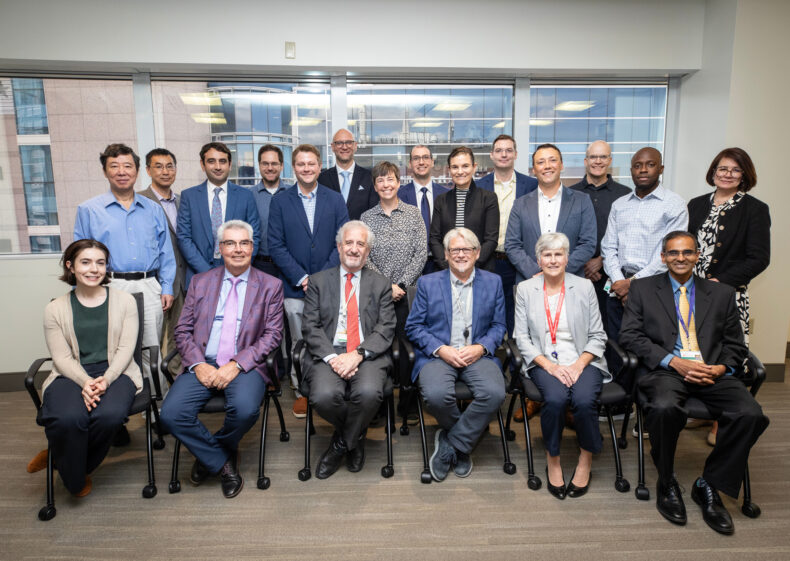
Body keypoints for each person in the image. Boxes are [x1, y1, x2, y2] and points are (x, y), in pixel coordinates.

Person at [619, 230, 769, 535]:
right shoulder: (643, 290)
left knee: (751, 414)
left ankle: (709, 485)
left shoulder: (722, 293)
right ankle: (666, 481)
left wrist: (719, 368)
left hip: (711, 372)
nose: (680, 258)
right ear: (663, 257)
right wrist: (673, 361)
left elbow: (736, 345)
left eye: (687, 252)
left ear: (697, 256)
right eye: (673, 253)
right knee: (662, 409)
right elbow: (630, 336)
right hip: (666, 370)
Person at [160, 220, 283, 499]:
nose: (237, 249)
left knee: (244, 410)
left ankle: (209, 454)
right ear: (220, 249)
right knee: (170, 414)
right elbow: (182, 329)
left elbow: (273, 335)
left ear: (252, 247)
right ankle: (222, 462)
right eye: (230, 243)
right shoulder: (200, 282)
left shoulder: (271, 286)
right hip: (202, 361)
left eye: (243, 243)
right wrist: (198, 363)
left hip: (245, 365)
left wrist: (237, 364)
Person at [31, 239, 143, 497]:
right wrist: (85, 382)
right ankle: (70, 465)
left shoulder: (125, 301)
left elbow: (127, 349)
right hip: (71, 371)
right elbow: (61, 357)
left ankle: (63, 460)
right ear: (70, 266)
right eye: (85, 262)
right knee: (68, 418)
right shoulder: (54, 309)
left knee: (110, 416)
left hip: (118, 370)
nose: (94, 269)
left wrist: (106, 379)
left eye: (100, 263)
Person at [74, 143, 176, 411]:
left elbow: (166, 253)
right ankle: (114, 413)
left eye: (127, 166)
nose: (122, 172)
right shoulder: (89, 210)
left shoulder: (153, 209)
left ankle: (156, 411)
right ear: (105, 171)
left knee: (151, 350)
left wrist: (166, 287)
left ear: (138, 170)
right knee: (113, 353)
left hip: (148, 284)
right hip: (108, 286)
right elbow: (79, 256)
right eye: (114, 166)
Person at [405, 228, 506, 482]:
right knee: (437, 395)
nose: (461, 254)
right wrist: (442, 349)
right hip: (439, 354)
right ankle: (464, 440)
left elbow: (499, 326)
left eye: (467, 249)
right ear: (447, 255)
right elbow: (413, 327)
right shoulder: (428, 283)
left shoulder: (493, 282)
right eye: (455, 250)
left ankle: (453, 443)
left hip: (477, 354)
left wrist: (481, 347)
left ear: (477, 253)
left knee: (494, 393)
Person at [513, 233, 609, 500]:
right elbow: (522, 338)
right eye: (547, 254)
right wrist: (551, 367)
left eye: (558, 254)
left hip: (582, 358)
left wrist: (578, 366)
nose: (552, 260)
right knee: (554, 399)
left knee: (584, 399)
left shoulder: (584, 287)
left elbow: (598, 335)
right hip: (544, 361)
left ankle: (585, 458)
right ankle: (553, 459)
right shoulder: (526, 289)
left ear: (567, 258)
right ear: (538, 259)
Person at [687, 147, 770, 445]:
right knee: (698, 350)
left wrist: (720, 281)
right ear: (713, 171)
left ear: (745, 176)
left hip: (728, 296)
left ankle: (723, 420)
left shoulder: (755, 209)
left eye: (735, 170)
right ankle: (705, 410)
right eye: (722, 168)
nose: (727, 174)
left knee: (727, 354)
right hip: (693, 294)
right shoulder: (696, 205)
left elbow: (759, 258)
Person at [300, 221, 396, 479]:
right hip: (328, 352)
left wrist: (358, 354)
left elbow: (386, 328)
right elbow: (310, 326)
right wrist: (334, 358)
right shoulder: (318, 282)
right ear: (339, 246)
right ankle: (356, 433)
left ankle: (341, 444)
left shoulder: (381, 284)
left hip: (367, 353)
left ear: (368, 251)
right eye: (349, 243)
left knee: (368, 393)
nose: (354, 249)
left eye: (361, 244)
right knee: (322, 395)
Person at [268, 144, 350, 417]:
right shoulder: (280, 201)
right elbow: (275, 245)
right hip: (294, 288)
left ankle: (330, 384)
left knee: (329, 337)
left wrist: (320, 278)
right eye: (301, 164)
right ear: (294, 168)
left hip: (330, 285)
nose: (306, 168)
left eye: (311, 164)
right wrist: (302, 278)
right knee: (298, 341)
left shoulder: (335, 199)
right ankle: (301, 389)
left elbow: (343, 241)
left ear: (319, 165)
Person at [600, 147, 688, 382]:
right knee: (616, 343)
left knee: (649, 346)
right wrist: (619, 281)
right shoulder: (620, 204)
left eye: (649, 165)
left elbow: (670, 253)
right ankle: (619, 400)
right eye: (637, 165)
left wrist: (633, 284)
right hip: (617, 286)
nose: (643, 170)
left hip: (654, 287)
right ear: (631, 170)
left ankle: (646, 399)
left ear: (660, 168)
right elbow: (609, 247)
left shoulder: (674, 204)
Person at [505, 142, 596, 284]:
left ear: (561, 165)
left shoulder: (582, 201)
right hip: (530, 282)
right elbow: (512, 245)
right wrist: (537, 273)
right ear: (534, 169)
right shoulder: (520, 204)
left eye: (553, 160)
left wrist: (558, 272)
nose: (547, 166)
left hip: (570, 282)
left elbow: (588, 243)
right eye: (541, 162)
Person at [176, 141, 262, 290]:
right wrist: (206, 271)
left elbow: (254, 235)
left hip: (237, 274)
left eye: (222, 161)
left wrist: (235, 267)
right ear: (203, 165)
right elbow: (184, 237)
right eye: (211, 161)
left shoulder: (245, 196)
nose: (217, 166)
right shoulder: (189, 196)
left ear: (229, 164)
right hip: (199, 274)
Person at [477, 134, 538, 334]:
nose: (504, 154)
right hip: (487, 260)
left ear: (516, 154)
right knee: (486, 315)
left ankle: (515, 361)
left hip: (519, 261)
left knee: (517, 317)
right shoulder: (478, 186)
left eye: (508, 150)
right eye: (499, 150)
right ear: (492, 155)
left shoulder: (531, 186)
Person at [569, 140, 631, 325]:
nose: (598, 161)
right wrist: (583, 262)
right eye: (593, 157)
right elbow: (565, 233)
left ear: (610, 160)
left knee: (607, 326)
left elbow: (626, 235)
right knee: (576, 323)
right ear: (586, 161)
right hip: (576, 271)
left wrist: (601, 261)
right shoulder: (570, 193)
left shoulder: (625, 194)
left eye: (603, 157)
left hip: (611, 273)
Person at [361, 161, 427, 333]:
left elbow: (421, 253)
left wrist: (401, 286)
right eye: (380, 180)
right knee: (380, 342)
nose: (386, 185)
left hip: (410, 293)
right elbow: (364, 257)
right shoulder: (366, 218)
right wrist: (387, 286)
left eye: (390, 179)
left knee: (409, 345)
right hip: (378, 295)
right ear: (375, 186)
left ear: (398, 183)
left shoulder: (413, 214)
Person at [139, 147, 186, 378]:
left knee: (179, 336)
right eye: (158, 166)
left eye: (169, 166)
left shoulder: (182, 202)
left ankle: (175, 383)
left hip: (182, 280)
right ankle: (154, 391)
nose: (165, 171)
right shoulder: (140, 202)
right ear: (148, 170)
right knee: (152, 338)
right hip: (153, 282)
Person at [430, 147, 499, 272]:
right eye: (455, 167)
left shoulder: (488, 198)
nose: (460, 171)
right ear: (449, 169)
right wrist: (448, 266)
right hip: (446, 270)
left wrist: (469, 267)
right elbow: (434, 238)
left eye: (465, 166)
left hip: (480, 270)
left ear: (474, 167)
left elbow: (491, 239)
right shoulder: (441, 200)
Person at [399, 145, 450, 274]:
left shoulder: (447, 195)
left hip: (441, 263)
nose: (421, 162)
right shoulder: (398, 196)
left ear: (432, 162)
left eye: (425, 157)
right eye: (416, 158)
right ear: (410, 164)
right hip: (409, 266)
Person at [249, 144, 293, 276]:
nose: (269, 168)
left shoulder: (294, 193)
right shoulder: (249, 195)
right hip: (260, 265)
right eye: (265, 164)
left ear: (281, 166)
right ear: (259, 165)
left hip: (290, 264)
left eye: (274, 163)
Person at [318, 129, 377, 220]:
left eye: (349, 142)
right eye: (339, 143)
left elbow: (374, 213)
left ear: (355, 146)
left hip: (361, 233)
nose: (344, 147)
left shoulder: (369, 177)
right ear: (333, 147)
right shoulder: (321, 179)